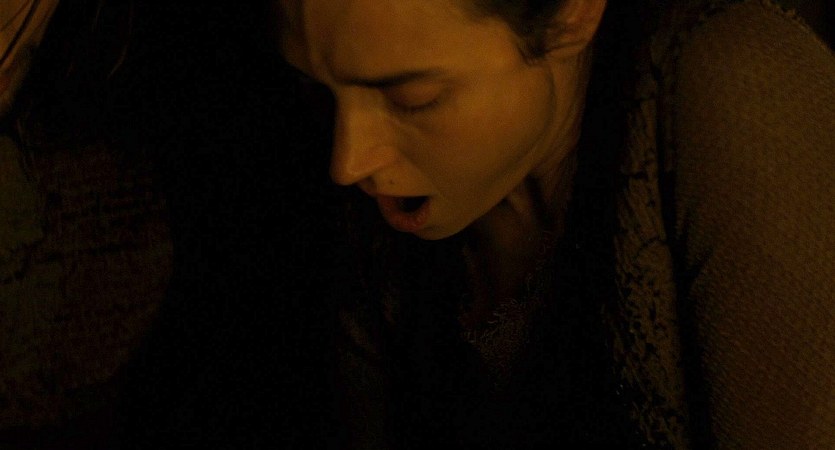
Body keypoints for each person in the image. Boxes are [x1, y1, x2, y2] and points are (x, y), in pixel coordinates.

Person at [274, 0, 835, 448]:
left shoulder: (734, 85)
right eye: (318, 88)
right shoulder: (373, 225)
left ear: (573, 14)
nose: (348, 163)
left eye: (413, 98)